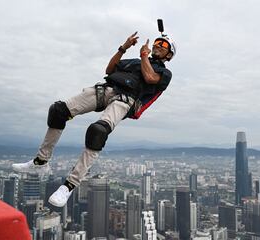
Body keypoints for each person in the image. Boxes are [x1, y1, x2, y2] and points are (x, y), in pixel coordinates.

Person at [12, 31, 176, 207]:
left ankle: (69, 186)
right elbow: (110, 70)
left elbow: (150, 78)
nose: (159, 45)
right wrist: (123, 48)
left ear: (169, 54)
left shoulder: (164, 73)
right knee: (58, 110)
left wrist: (144, 55)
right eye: (158, 42)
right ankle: (40, 160)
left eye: (164, 45)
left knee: (97, 132)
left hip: (125, 101)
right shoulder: (134, 62)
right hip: (106, 89)